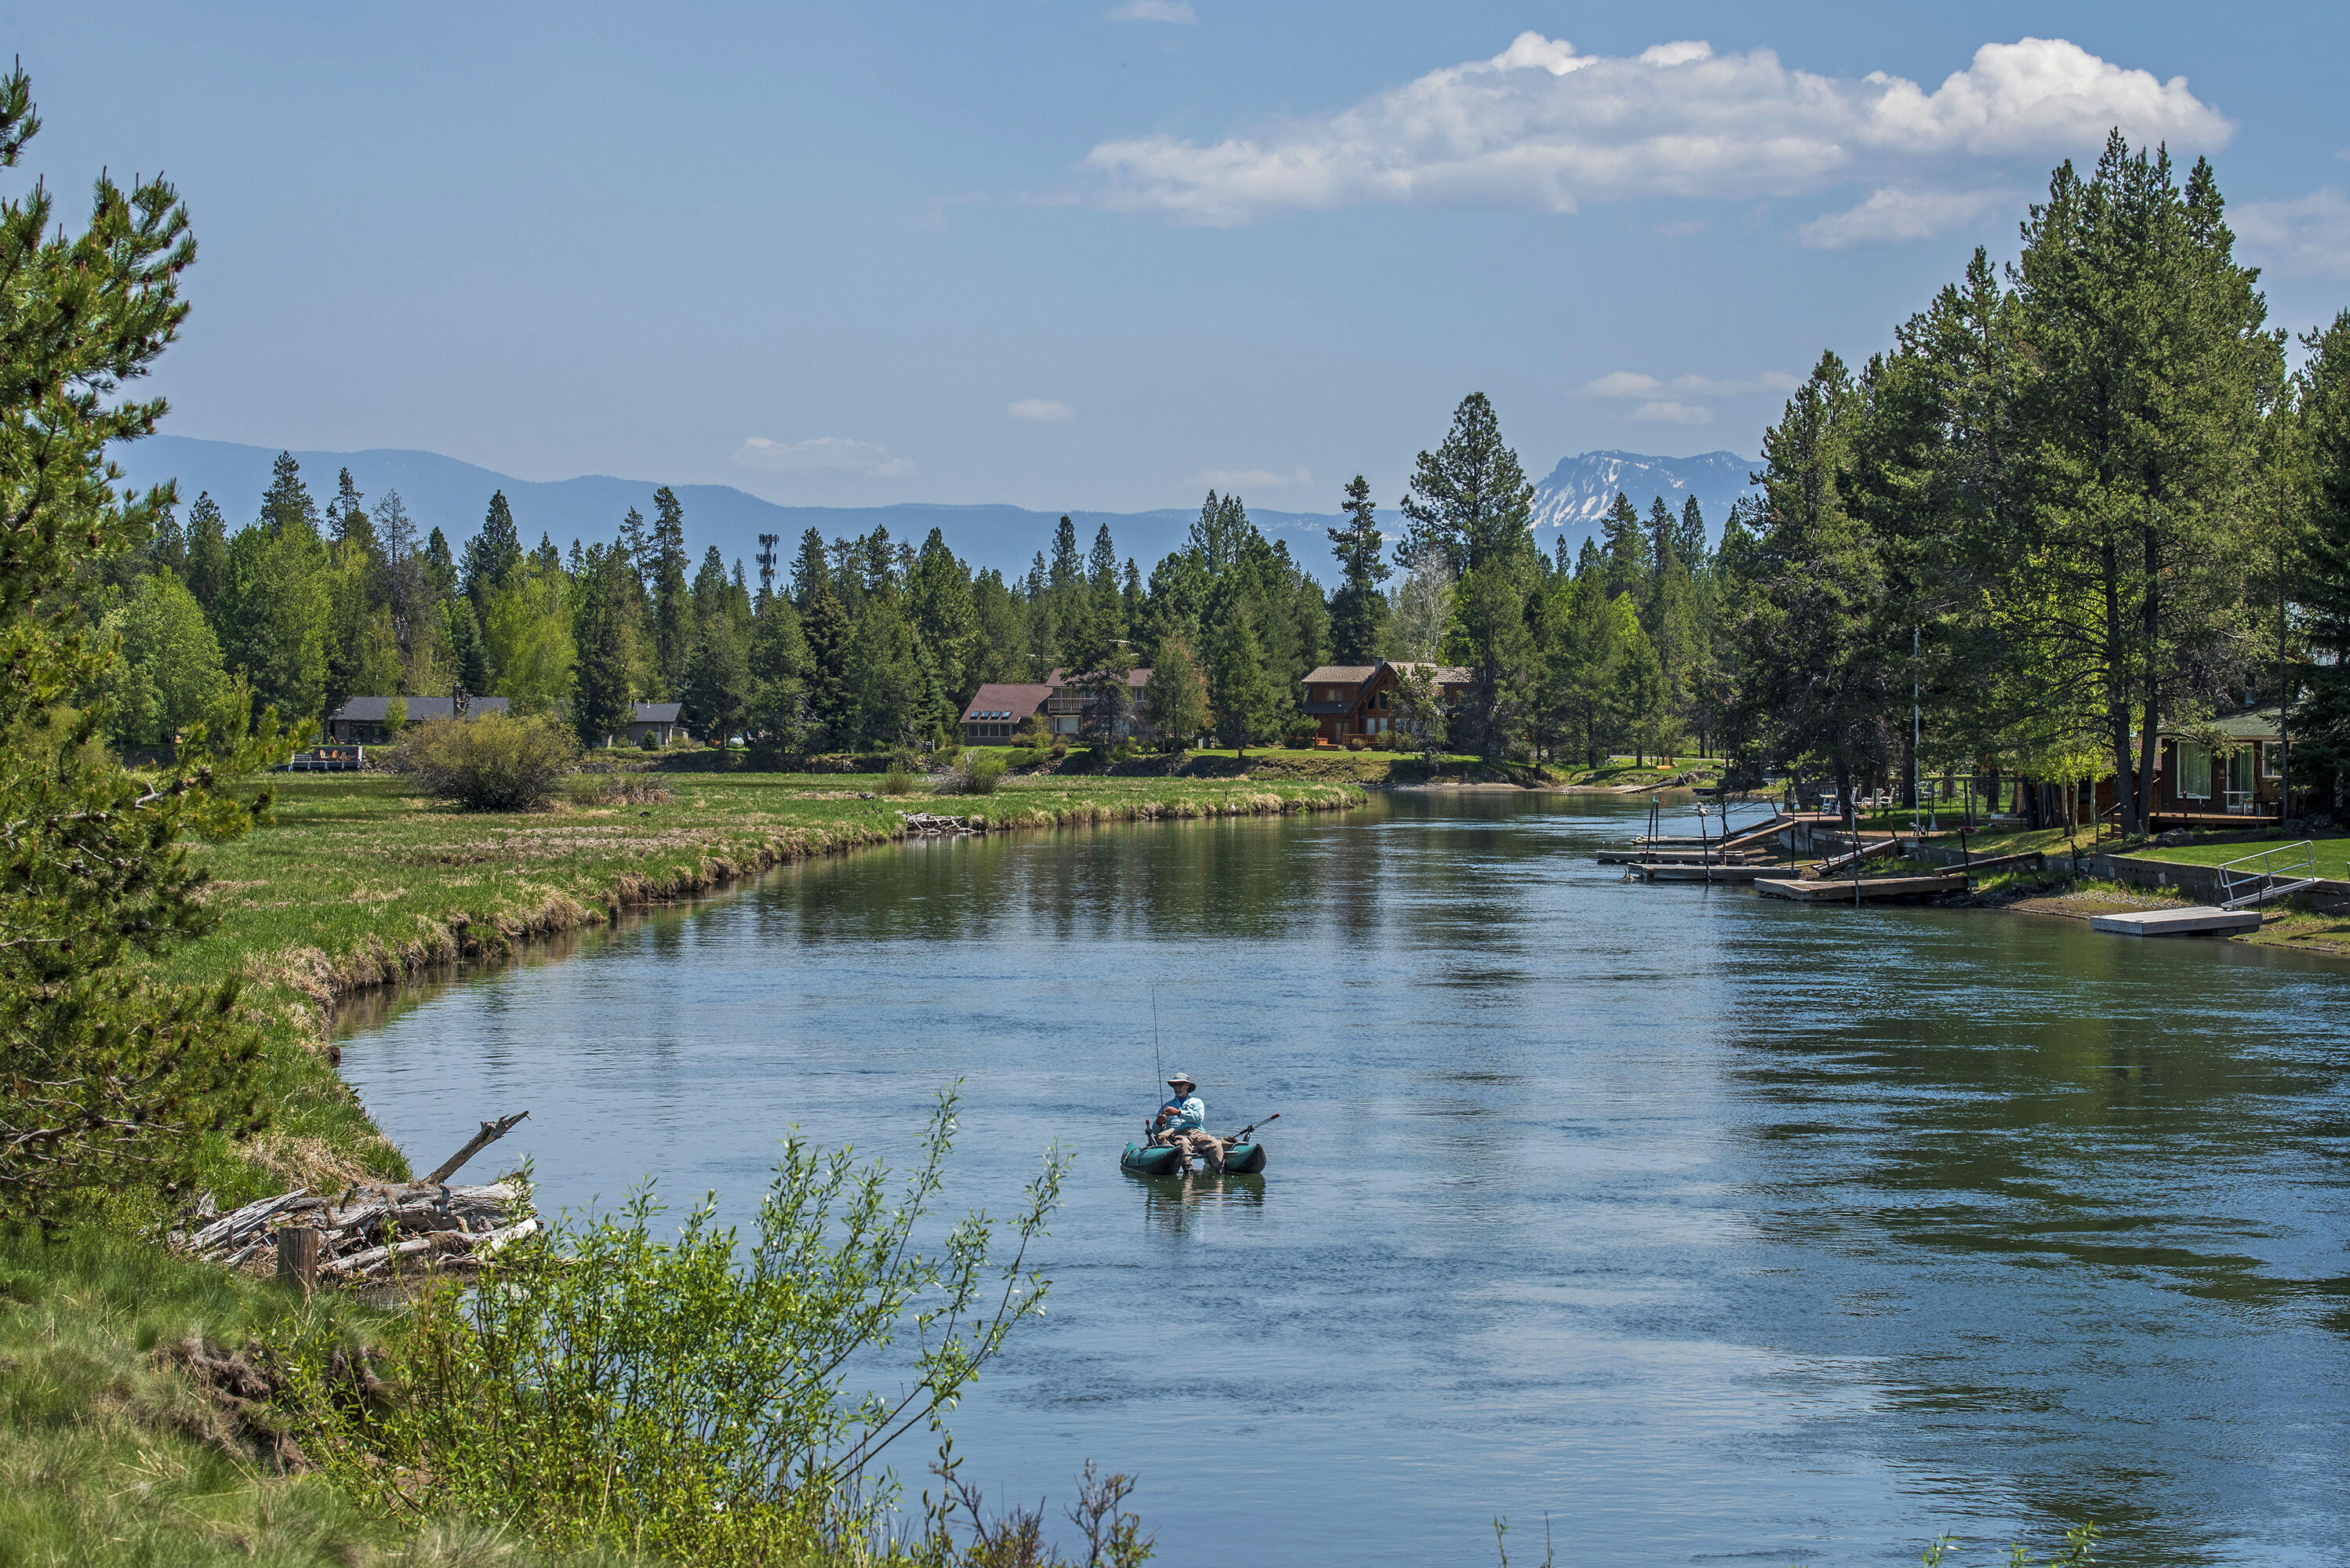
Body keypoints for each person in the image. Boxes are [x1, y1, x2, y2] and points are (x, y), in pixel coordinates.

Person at [1149, 1072, 1225, 1174]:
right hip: (1178, 1133)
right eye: (1175, 1085)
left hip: (1197, 1132)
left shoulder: (1197, 1102)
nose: (1177, 1088)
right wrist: (1159, 1123)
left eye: (1180, 1085)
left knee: (1216, 1143)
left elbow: (1198, 1118)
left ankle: (1220, 1170)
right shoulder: (1167, 1106)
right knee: (1183, 1143)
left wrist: (1178, 1113)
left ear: (1188, 1086)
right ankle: (1188, 1171)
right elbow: (1156, 1131)